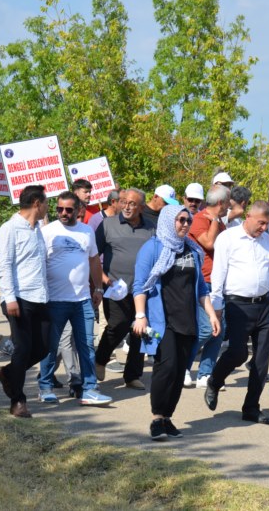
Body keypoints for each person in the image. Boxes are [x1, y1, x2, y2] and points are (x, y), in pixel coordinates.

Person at [133, 204, 220, 439]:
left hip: (188, 320)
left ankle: (168, 417)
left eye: (187, 221)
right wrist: (140, 315)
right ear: (168, 220)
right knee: (166, 368)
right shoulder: (152, 248)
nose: (184, 224)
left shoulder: (192, 250)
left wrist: (211, 314)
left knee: (180, 370)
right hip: (163, 322)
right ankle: (156, 419)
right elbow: (140, 284)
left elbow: (201, 288)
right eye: (180, 220)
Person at [205, 201, 269, 425]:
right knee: (238, 353)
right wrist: (216, 305)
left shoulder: (267, 241)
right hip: (238, 304)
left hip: (264, 306)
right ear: (248, 216)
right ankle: (214, 382)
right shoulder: (228, 238)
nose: (264, 228)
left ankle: (251, 408)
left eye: (266, 224)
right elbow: (218, 272)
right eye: (260, 223)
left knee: (261, 360)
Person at [37, 191, 111, 405]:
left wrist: (98, 288)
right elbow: (39, 263)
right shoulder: (47, 231)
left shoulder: (87, 231)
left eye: (68, 209)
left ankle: (89, 389)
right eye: (59, 209)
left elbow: (95, 261)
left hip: (82, 300)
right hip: (54, 300)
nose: (63, 213)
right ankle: (45, 386)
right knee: (51, 346)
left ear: (79, 210)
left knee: (86, 345)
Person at [0, 185, 51, 418]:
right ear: (37, 203)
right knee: (23, 348)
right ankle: (18, 400)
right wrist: (9, 298)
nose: (49, 207)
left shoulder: (37, 229)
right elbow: (5, 265)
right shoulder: (9, 229)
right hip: (19, 299)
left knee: (42, 348)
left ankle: (7, 373)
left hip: (41, 297)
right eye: (46, 202)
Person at [95, 188, 156, 390]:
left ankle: (132, 375)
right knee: (118, 325)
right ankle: (100, 359)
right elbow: (93, 254)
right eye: (123, 202)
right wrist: (102, 278)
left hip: (143, 288)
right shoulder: (108, 225)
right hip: (115, 288)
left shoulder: (151, 227)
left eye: (132, 204)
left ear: (141, 207)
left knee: (140, 330)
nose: (127, 207)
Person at [184, 184, 229, 388]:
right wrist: (215, 221)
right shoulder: (199, 220)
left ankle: (205, 373)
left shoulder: (220, 222)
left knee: (219, 330)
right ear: (220, 203)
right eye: (227, 203)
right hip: (204, 280)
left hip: (220, 282)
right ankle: (183, 366)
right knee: (205, 328)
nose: (230, 206)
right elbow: (209, 244)